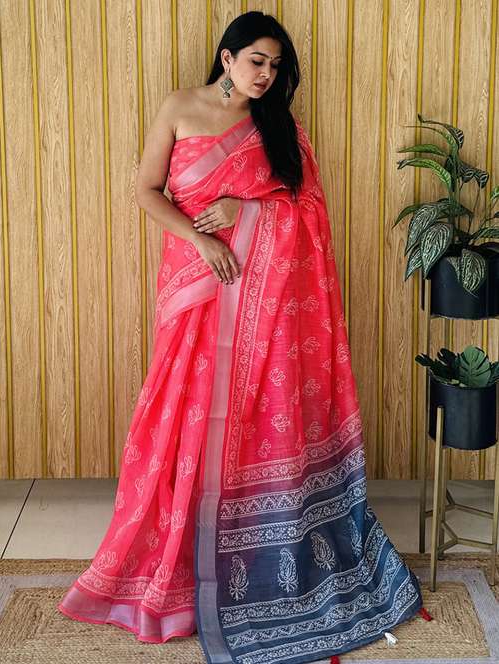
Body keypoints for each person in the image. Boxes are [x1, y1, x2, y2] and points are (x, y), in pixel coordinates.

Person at [57, 10, 431, 664]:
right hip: (197, 292)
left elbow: (308, 212)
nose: (266, 75)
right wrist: (202, 238)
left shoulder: (279, 127)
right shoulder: (179, 108)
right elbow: (146, 191)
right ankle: (177, 559)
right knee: (185, 417)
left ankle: (257, 551)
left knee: (255, 419)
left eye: (276, 66)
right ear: (226, 57)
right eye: (257, 60)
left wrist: (246, 209)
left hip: (267, 305)